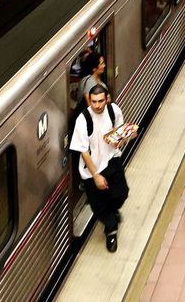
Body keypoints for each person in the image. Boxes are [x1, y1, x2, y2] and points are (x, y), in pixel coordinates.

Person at [70, 84, 131, 252]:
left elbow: (120, 134)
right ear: (89, 100)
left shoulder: (114, 111)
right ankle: (111, 229)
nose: (97, 105)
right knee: (98, 207)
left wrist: (120, 137)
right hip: (91, 169)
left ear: (107, 99)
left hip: (111, 160)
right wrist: (96, 175)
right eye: (94, 101)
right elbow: (83, 151)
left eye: (100, 101)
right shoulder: (83, 119)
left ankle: (112, 213)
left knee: (122, 193)